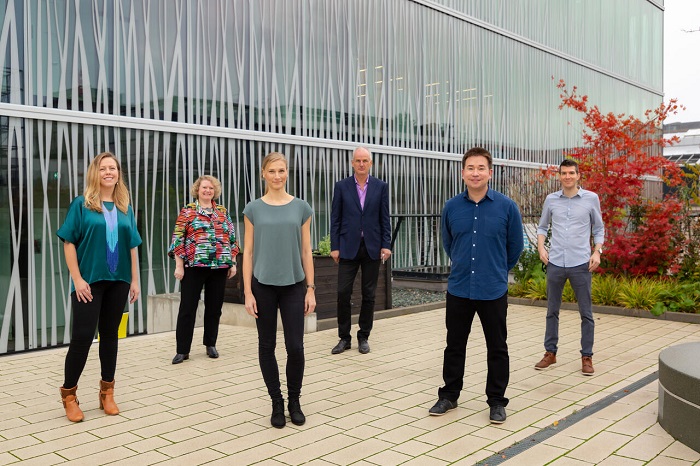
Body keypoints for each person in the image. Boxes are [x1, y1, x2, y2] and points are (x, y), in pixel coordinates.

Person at [429, 147, 523, 424]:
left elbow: (515, 247)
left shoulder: (506, 207)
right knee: (454, 345)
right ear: (462, 173)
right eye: (470, 168)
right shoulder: (451, 207)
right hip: (459, 287)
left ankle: (496, 401)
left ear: (490, 173)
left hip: (493, 289)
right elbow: (449, 243)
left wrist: (495, 270)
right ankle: (449, 395)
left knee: (497, 347)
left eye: (481, 168)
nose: (475, 173)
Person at [56, 152, 141, 422]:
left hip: (119, 282)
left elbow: (132, 246)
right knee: (82, 338)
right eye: (103, 168)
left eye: (113, 168)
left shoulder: (125, 206)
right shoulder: (82, 205)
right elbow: (69, 242)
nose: (108, 172)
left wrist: (135, 280)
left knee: (110, 337)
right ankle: (69, 395)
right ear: (96, 173)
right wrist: (78, 279)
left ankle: (107, 392)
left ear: (118, 173)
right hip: (89, 283)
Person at [242, 152, 316, 428]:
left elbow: (307, 250)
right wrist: (248, 292)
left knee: (295, 346)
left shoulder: (301, 208)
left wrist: (310, 288)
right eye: (272, 171)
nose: (277, 176)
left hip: (294, 285)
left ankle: (294, 400)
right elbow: (247, 252)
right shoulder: (253, 209)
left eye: (281, 171)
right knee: (266, 345)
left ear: (287, 173)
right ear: (263, 173)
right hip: (263, 286)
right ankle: (276, 401)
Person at [534, 159, 605, 375]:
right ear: (560, 176)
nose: (567, 177)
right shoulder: (551, 200)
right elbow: (543, 226)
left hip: (580, 264)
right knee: (551, 311)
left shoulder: (591, 199)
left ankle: (587, 356)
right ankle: (550, 353)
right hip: (555, 262)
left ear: (578, 175)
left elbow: (599, 229)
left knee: (586, 313)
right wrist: (540, 248)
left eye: (571, 173)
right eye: (564, 173)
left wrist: (597, 251)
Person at [168, 176, 240, 364]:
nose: (207, 191)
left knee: (214, 308)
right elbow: (177, 239)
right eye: (204, 188)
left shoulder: (222, 212)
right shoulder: (188, 211)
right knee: (187, 308)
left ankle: (211, 344)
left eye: (210, 188)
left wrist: (233, 261)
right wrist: (179, 266)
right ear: (197, 190)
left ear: (215, 191)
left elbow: (231, 238)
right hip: (193, 267)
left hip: (219, 267)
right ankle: (182, 350)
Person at [329, 147, 392, 355]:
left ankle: (363, 336)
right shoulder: (341, 187)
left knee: (369, 295)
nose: (362, 164)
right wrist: (335, 246)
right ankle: (344, 338)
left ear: (371, 163)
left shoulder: (381, 187)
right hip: (347, 246)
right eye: (358, 160)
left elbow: (385, 218)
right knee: (342, 293)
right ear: (352, 163)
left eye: (365, 160)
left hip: (372, 247)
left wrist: (386, 244)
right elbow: (335, 218)